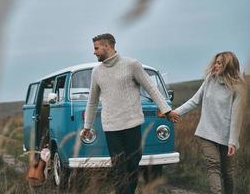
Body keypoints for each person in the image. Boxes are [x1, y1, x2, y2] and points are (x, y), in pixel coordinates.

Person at [81, 33, 178, 194]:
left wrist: (166, 110)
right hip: (111, 128)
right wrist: (87, 126)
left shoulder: (131, 65)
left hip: (132, 125)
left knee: (132, 165)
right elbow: (92, 101)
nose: (94, 52)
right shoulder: (96, 72)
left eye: (96, 48)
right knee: (118, 168)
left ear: (107, 46)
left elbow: (151, 88)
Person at [174, 51, 246, 194]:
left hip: (226, 136)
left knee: (228, 173)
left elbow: (237, 116)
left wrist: (232, 140)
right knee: (213, 166)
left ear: (228, 66)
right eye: (216, 62)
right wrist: (176, 112)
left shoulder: (238, 88)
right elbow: (195, 101)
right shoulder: (209, 80)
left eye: (220, 63)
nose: (216, 65)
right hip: (207, 132)